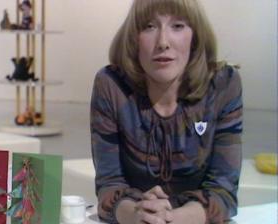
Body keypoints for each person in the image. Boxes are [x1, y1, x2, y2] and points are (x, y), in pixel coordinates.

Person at [90, 0, 243, 223]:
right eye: (149, 26)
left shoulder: (223, 84)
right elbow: (108, 186)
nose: (163, 42)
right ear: (134, 38)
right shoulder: (111, 85)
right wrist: (136, 215)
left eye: (178, 26)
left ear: (195, 37)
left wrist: (172, 218)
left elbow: (224, 191)